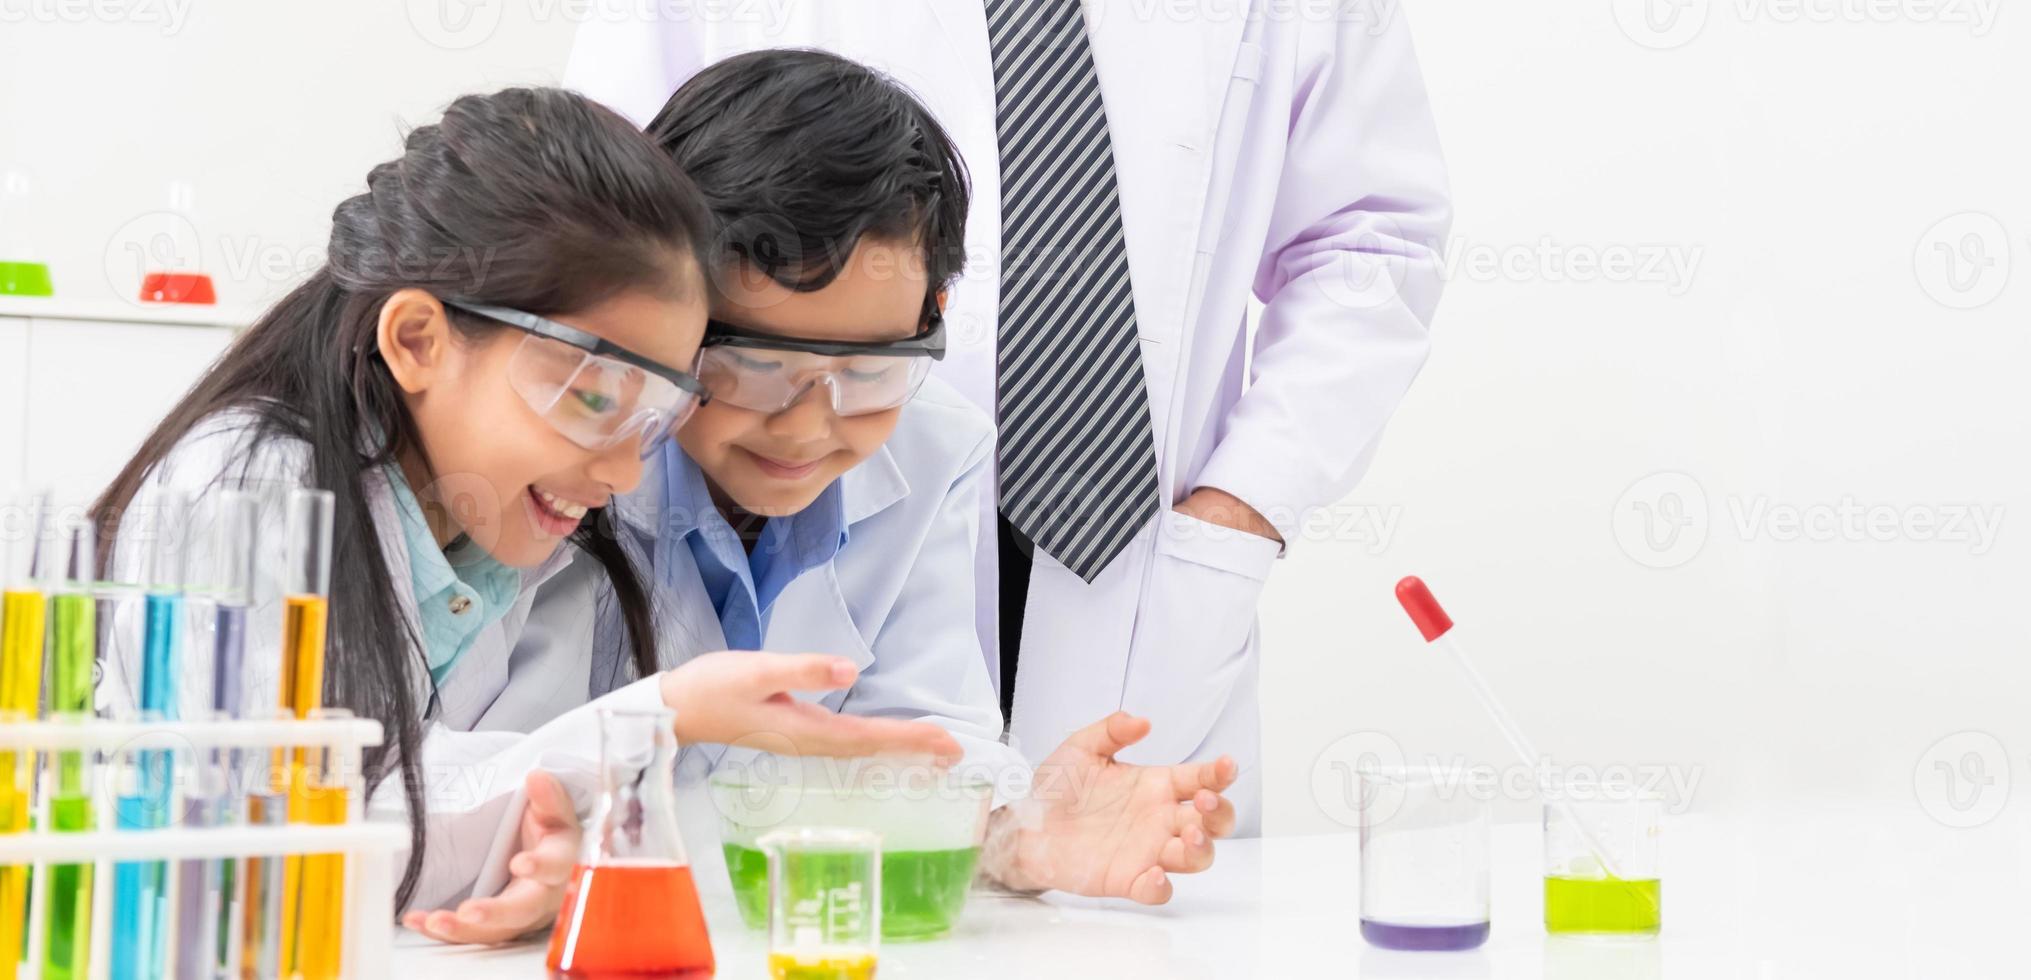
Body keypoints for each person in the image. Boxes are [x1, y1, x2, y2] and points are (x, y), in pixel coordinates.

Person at [90, 87, 962, 940]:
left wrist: (552, 850)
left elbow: (470, 806)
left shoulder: (523, 542)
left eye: (654, 415)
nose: (625, 471)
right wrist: (657, 716)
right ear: (418, 340)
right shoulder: (242, 490)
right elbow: (274, 833)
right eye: (591, 400)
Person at [565, 1, 1454, 832]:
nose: (809, 415)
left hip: (1133, 549)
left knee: (1100, 890)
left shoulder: (919, 436)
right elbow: (603, 217)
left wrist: (1242, 506)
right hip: (765, 502)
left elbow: (1369, 241)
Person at [526, 49, 1236, 905]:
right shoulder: (564, 456)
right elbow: (490, 767)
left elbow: (916, 739)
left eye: (867, 372)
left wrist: (1010, 836)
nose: (806, 426)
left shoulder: (935, 448)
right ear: (673, 309)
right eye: (752, 365)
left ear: (933, 315)